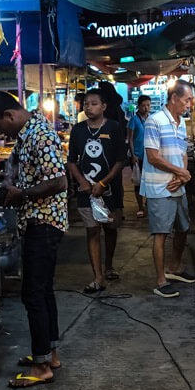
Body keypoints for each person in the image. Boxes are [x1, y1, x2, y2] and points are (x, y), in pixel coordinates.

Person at [0, 90, 68, 388]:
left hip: (43, 222)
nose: (0, 132)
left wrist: (22, 195)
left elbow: (59, 180)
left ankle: (43, 366)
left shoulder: (39, 134)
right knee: (43, 292)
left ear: (10, 115)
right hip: (37, 221)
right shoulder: (28, 133)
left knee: (33, 294)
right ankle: (49, 354)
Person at [141, 79, 195, 298]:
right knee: (161, 233)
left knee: (183, 228)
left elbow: (182, 152)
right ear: (174, 98)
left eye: (190, 100)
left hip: (177, 185)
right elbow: (152, 157)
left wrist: (182, 174)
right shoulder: (154, 121)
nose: (189, 104)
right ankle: (160, 280)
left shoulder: (181, 122)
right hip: (159, 187)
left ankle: (174, 267)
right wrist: (181, 173)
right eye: (187, 100)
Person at [66, 89, 127, 293]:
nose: (88, 107)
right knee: (92, 230)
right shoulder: (78, 130)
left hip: (111, 190)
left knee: (110, 228)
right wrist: (82, 182)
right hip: (87, 192)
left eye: (93, 103)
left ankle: (108, 265)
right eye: (86, 104)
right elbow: (71, 161)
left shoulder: (114, 127)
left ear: (104, 106)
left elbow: (120, 160)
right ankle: (98, 277)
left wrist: (104, 183)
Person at [127, 94, 151, 218]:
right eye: (143, 106)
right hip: (138, 155)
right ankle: (140, 207)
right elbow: (130, 139)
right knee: (139, 182)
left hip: (150, 156)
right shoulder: (134, 120)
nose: (146, 108)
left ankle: (148, 203)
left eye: (148, 105)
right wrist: (133, 154)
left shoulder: (151, 119)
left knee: (150, 181)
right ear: (139, 106)